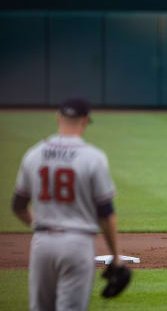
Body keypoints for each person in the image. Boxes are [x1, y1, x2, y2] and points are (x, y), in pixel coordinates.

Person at [12, 98, 122, 310]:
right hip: (77, 243)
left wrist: (41, 225)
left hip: (41, 244)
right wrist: (116, 258)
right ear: (85, 121)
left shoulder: (33, 154)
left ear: (58, 118)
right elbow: (106, 212)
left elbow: (18, 205)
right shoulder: (93, 157)